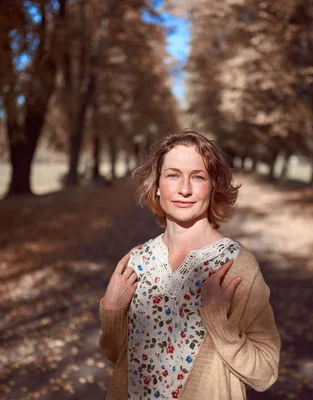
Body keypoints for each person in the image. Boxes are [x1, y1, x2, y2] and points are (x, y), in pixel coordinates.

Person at [99, 130, 281, 400]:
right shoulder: (137, 261)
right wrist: (112, 311)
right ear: (158, 185)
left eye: (198, 177)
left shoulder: (236, 265)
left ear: (213, 186)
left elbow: (265, 372)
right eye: (173, 175)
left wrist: (218, 319)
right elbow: (120, 356)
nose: (185, 189)